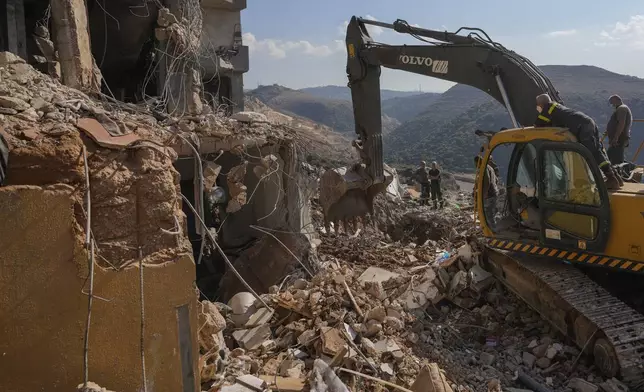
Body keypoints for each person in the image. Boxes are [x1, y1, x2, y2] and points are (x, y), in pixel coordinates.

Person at [534, 93, 622, 190]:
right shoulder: (557, 107)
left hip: (583, 127)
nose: (537, 108)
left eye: (538, 106)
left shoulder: (548, 107)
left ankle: (612, 179)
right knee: (598, 150)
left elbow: (538, 124)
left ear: (541, 105)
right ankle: (616, 177)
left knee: (591, 152)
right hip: (588, 122)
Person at [605, 95, 632, 165]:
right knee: (610, 156)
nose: (612, 105)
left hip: (619, 138)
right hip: (617, 138)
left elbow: (621, 123)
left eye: (612, 103)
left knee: (616, 160)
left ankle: (624, 172)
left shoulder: (622, 108)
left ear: (616, 100)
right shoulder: (620, 109)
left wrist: (616, 137)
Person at [474, 156, 499, 228]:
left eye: (476, 164)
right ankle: (492, 229)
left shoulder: (484, 169)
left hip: (489, 195)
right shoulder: (489, 167)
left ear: (478, 162)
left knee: (488, 215)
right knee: (490, 213)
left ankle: (493, 232)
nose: (475, 166)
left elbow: (487, 182)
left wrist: (484, 195)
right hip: (494, 193)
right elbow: (496, 180)